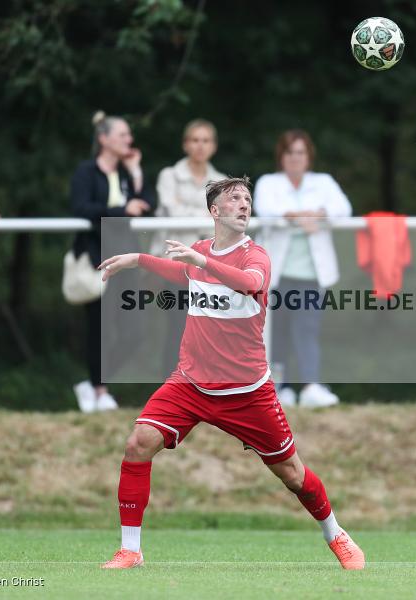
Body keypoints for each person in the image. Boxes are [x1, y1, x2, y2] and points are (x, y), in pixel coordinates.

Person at [97, 177, 364, 570]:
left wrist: (203, 262)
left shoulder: (255, 256)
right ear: (214, 211)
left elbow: (250, 283)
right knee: (139, 442)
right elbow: (178, 271)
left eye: (247, 199)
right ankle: (130, 550)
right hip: (190, 382)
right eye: (234, 198)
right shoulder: (200, 253)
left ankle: (336, 534)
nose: (243, 204)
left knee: (292, 473)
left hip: (247, 391)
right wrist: (136, 259)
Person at [253, 130, 352, 408]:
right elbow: (266, 209)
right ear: (281, 157)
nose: (295, 158)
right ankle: (279, 388)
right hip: (277, 272)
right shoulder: (268, 183)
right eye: (289, 153)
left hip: (311, 274)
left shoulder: (323, 182)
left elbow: (342, 208)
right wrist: (300, 217)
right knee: (277, 332)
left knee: (307, 329)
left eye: (300, 152)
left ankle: (310, 385)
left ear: (308, 157)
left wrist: (318, 215)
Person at [70, 112, 156, 412]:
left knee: (134, 331)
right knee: (98, 328)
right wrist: (122, 209)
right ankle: (98, 389)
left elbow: (146, 205)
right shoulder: (86, 171)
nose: (128, 140)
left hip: (127, 259)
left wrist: (135, 172)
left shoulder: (125, 173)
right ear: (104, 138)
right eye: (122, 135)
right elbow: (81, 208)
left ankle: (95, 384)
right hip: (98, 259)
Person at [150, 119, 226, 377]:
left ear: (213, 146)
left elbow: (222, 223)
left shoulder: (222, 181)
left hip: (209, 266)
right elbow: (173, 213)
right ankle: (170, 388)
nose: (200, 146)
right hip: (177, 265)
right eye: (195, 140)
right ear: (185, 144)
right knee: (177, 328)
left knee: (207, 328)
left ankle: (201, 388)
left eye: (205, 140)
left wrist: (192, 212)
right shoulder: (169, 175)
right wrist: (206, 215)